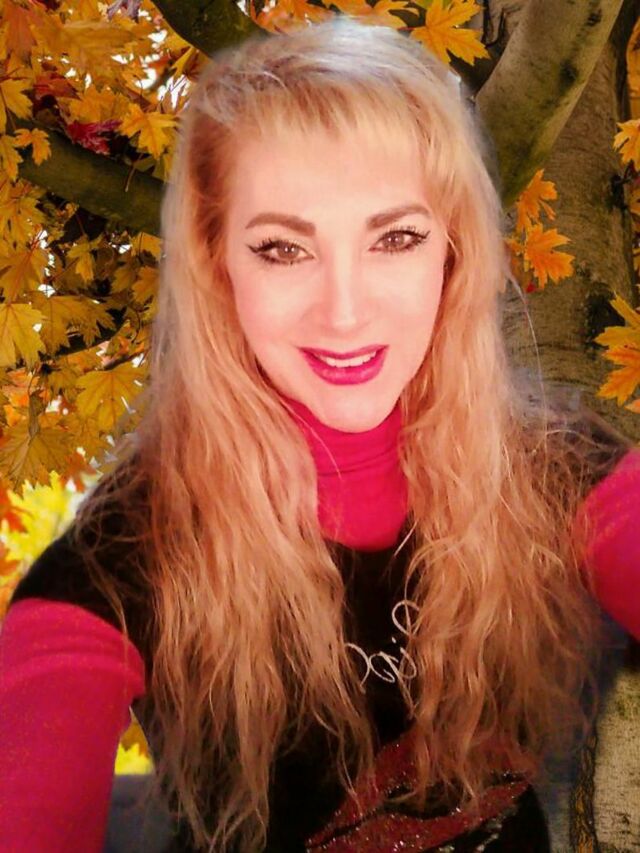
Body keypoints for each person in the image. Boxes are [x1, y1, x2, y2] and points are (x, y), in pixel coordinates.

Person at [0, 14, 639, 853]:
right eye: (282, 249)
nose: (344, 312)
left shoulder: (561, 471)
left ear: (452, 254)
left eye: (396, 238)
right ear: (217, 264)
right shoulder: (129, 556)